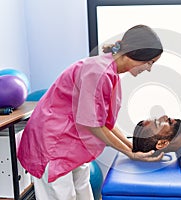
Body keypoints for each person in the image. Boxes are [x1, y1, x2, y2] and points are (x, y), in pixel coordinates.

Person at [17, 24, 164, 200]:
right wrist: (129, 152)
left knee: (83, 193)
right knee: (62, 196)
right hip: (52, 144)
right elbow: (94, 125)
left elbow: (105, 122)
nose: (148, 68)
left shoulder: (110, 71)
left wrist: (131, 147)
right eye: (150, 62)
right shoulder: (98, 72)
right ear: (135, 53)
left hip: (72, 144)